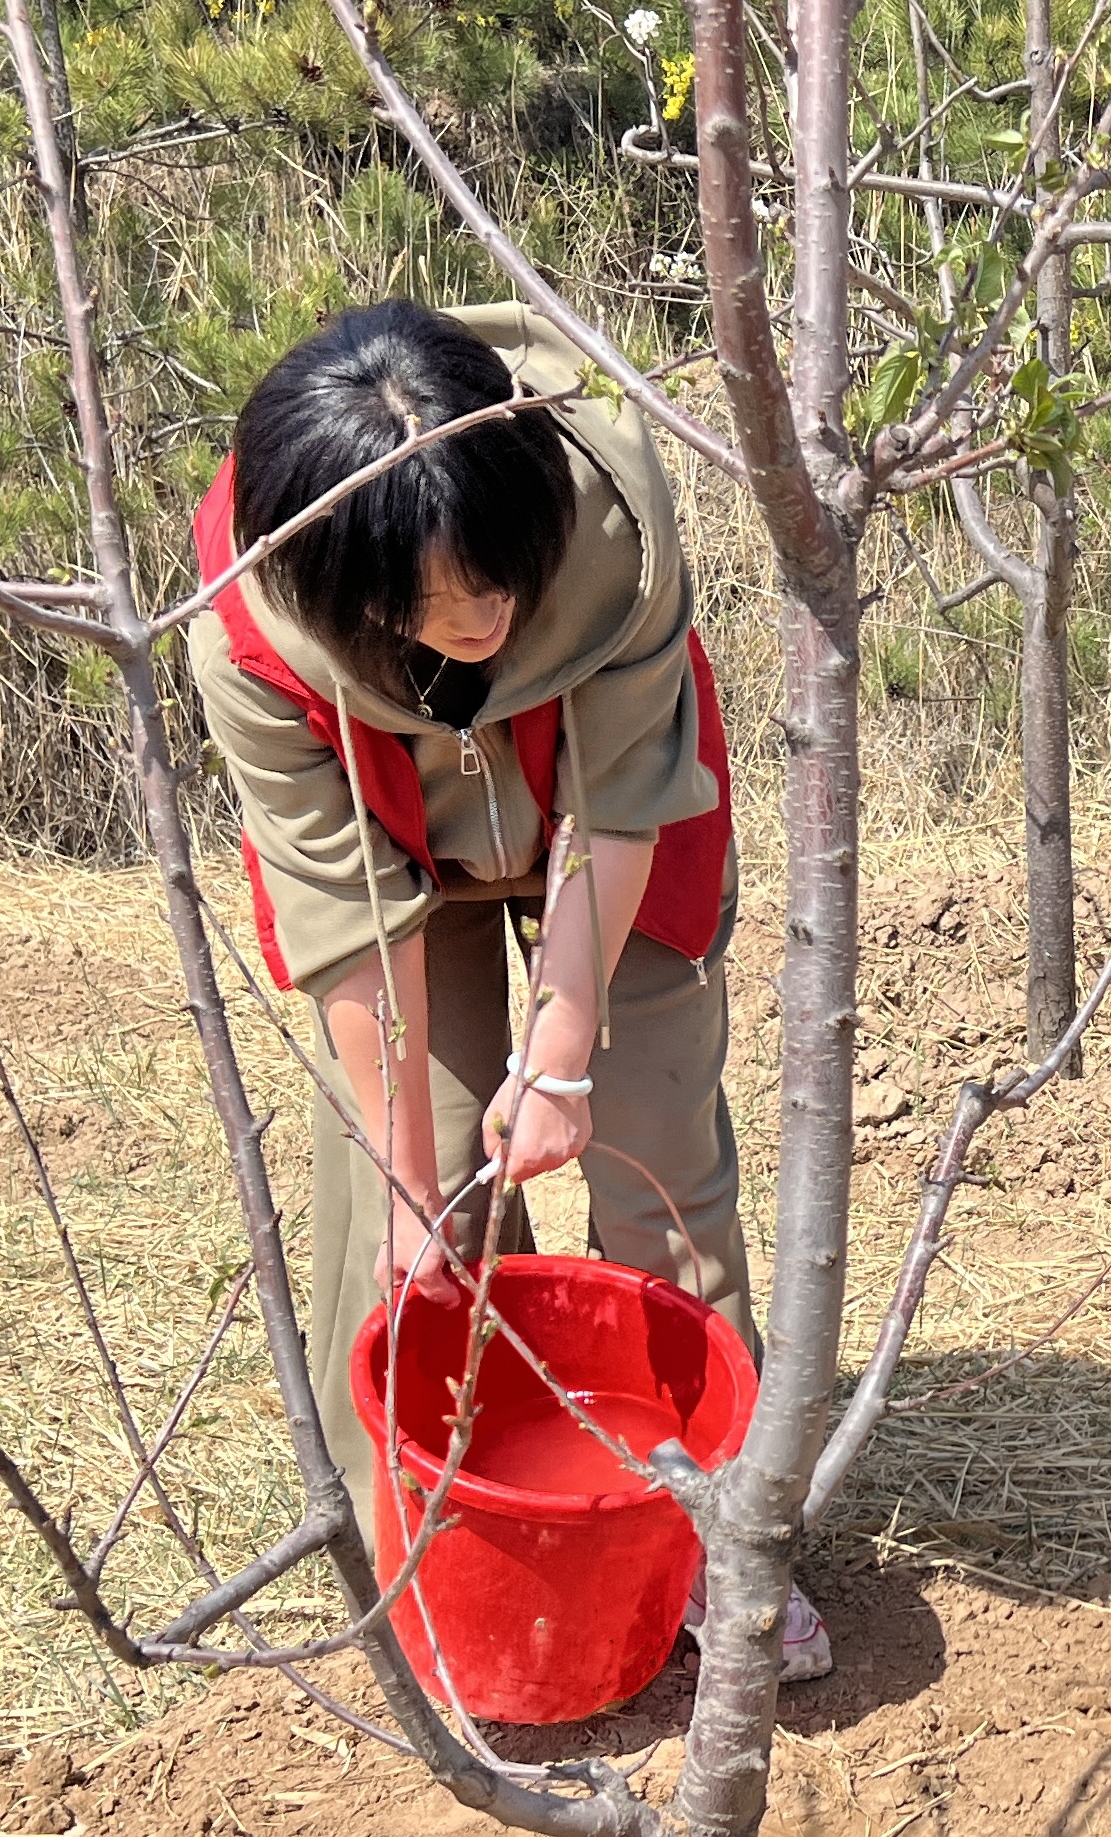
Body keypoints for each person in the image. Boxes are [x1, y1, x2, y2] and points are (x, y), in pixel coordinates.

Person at [189, 299, 829, 1681]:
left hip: (608, 812)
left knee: (655, 1149)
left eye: (498, 584)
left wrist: (567, 1048)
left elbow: (619, 804)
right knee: (399, 1207)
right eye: (429, 605)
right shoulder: (251, 626)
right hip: (391, 847)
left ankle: (716, 1543)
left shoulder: (612, 527)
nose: (477, 624)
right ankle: (430, 1544)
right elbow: (342, 905)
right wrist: (416, 1175)